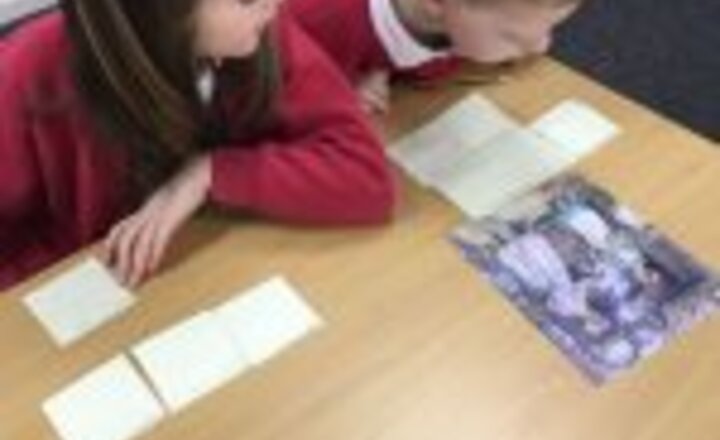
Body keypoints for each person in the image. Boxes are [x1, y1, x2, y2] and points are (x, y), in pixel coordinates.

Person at [0, 0, 395, 291]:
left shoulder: (262, 32)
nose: (275, 3)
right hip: (86, 301)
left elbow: (367, 177)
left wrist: (211, 172)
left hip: (197, 277)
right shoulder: (25, 73)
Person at [288, 0, 584, 113]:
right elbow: (265, 82)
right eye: (511, 37)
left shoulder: (457, 25)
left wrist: (381, 68)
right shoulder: (318, 19)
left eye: (552, 28)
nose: (542, 47)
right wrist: (332, 88)